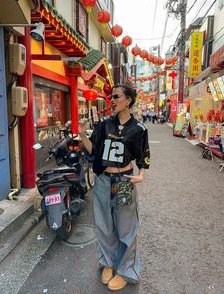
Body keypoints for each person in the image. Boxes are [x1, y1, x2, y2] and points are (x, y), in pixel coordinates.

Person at [78, 84, 150, 291]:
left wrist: (141, 175)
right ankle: (108, 263)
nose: (112, 100)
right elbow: (94, 151)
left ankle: (127, 271)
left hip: (125, 181)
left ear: (128, 100)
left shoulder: (138, 129)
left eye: (116, 96)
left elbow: (144, 155)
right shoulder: (104, 125)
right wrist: (83, 136)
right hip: (102, 181)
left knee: (127, 228)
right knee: (104, 225)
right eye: (111, 96)